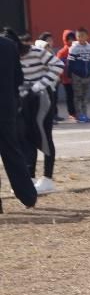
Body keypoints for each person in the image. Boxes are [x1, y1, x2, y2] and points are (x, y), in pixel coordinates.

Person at [15, 31, 61, 195]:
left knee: (44, 135)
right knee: (26, 137)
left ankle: (47, 178)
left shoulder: (37, 52)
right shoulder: (12, 55)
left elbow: (58, 65)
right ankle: (31, 177)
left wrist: (39, 85)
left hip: (42, 97)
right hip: (24, 99)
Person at [0, 32, 37, 212]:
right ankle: (28, 196)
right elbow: (19, 78)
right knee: (12, 150)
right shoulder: (8, 45)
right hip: (6, 106)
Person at [53, 30, 75, 122]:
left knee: (77, 96)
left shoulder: (76, 49)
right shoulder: (62, 52)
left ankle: (79, 112)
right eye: (69, 39)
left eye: (72, 39)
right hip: (66, 79)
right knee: (70, 96)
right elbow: (58, 65)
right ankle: (72, 113)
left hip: (76, 78)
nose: (71, 41)